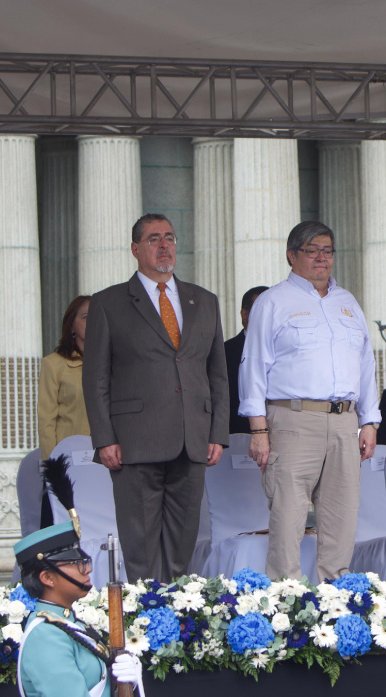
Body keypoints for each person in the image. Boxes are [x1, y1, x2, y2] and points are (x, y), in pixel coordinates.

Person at [82, 213, 229, 583]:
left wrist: (217, 432)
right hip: (134, 442)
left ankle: (177, 614)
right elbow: (96, 377)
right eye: (153, 239)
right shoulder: (109, 303)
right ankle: (146, 618)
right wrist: (105, 438)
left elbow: (217, 373)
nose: (164, 245)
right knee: (142, 547)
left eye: (169, 237)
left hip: (192, 438)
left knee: (183, 543)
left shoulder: (204, 300)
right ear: (135, 249)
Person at [239, 220, 380, 582]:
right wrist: (258, 429)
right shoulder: (272, 302)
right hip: (292, 420)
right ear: (292, 256)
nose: (321, 258)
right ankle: (286, 606)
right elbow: (253, 365)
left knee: (342, 516)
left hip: (345, 422)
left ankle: (335, 607)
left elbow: (365, 364)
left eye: (327, 250)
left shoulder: (348, 302)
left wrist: (370, 421)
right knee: (288, 518)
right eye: (312, 250)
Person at [15, 521, 144, 696]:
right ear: (47, 577)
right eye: (77, 563)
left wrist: (120, 682)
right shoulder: (45, 636)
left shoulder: (69, 623)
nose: (88, 569)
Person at [38, 296, 92, 459]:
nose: (93, 321)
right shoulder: (53, 364)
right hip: (69, 457)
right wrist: (52, 464)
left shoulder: (114, 364)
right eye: (86, 317)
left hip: (109, 460)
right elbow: (46, 420)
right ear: (71, 326)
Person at [224, 286, 269, 435]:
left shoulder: (289, 350)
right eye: (262, 312)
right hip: (239, 437)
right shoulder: (224, 352)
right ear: (245, 315)